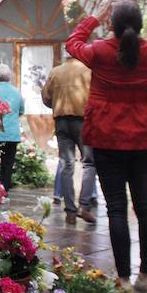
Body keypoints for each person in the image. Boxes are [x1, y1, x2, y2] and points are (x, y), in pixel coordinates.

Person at [66, 0, 147, 293]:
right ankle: (146, 277)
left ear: (112, 24)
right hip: (145, 136)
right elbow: (136, 51)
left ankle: (123, 280)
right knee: (144, 206)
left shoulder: (101, 53)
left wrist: (94, 16)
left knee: (117, 208)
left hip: (108, 136)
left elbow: (73, 43)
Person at [42, 56, 97, 225]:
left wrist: (57, 104)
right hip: (83, 121)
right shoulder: (89, 71)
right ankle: (84, 206)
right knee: (89, 163)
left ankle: (70, 212)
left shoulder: (56, 72)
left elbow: (46, 97)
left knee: (67, 165)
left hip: (61, 121)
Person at [0, 64, 24, 191]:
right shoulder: (17, 92)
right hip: (12, 134)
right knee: (8, 163)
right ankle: (5, 189)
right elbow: (21, 110)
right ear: (9, 76)